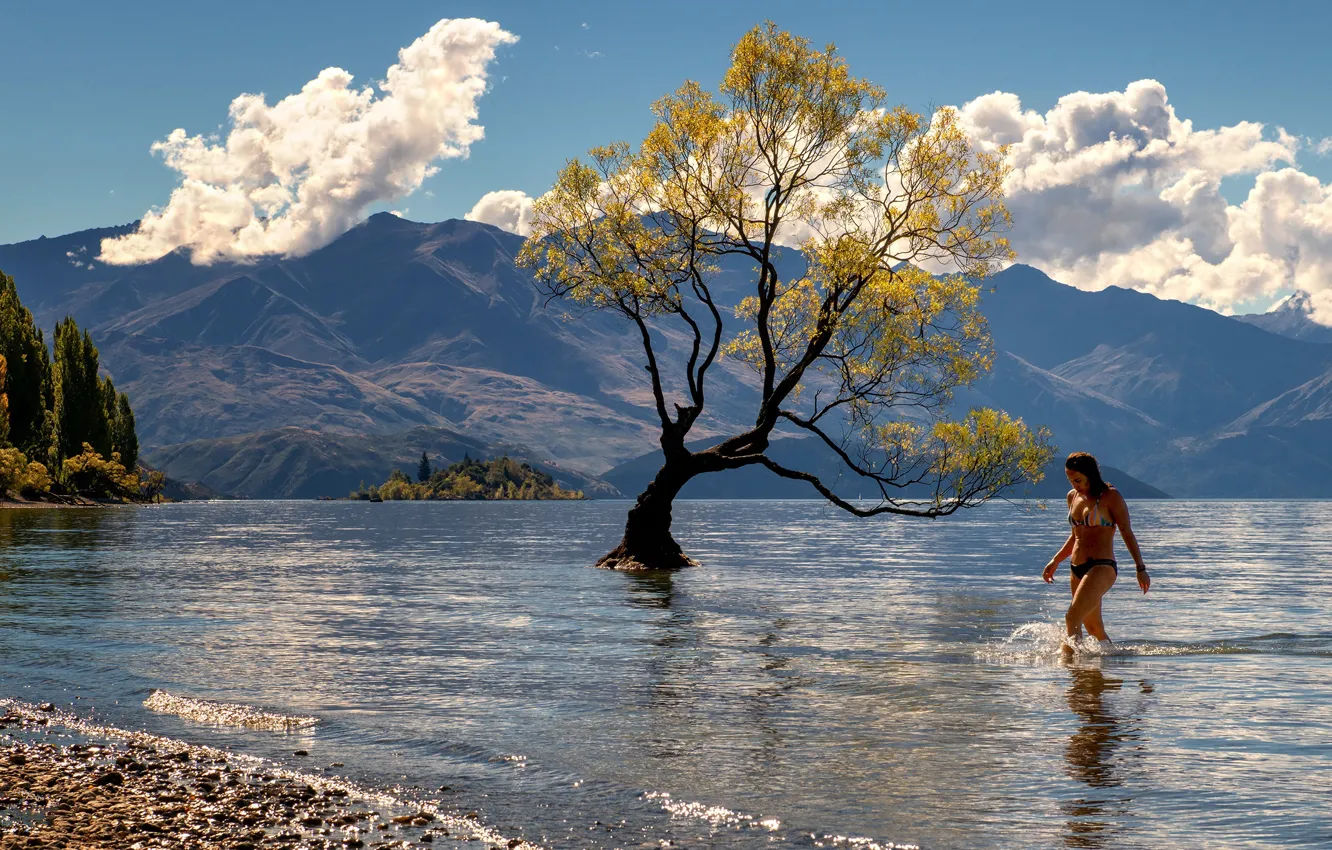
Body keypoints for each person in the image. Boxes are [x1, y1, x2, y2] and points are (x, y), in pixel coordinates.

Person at [1042, 452, 1150, 652]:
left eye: (1078, 480)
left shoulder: (1110, 497)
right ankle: (1111, 665)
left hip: (1101, 566)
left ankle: (1072, 670)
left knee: (1072, 616)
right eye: (1070, 480)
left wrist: (1140, 568)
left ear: (1090, 474)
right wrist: (1055, 560)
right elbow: (1076, 535)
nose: (1074, 484)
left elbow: (1127, 532)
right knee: (1093, 627)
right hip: (1076, 568)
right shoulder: (1072, 497)